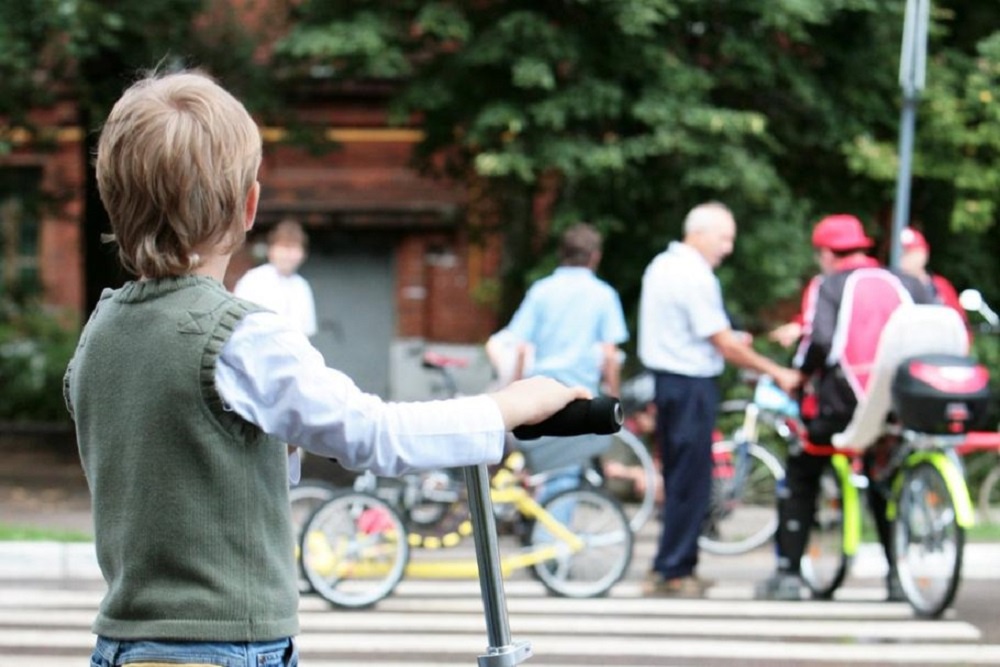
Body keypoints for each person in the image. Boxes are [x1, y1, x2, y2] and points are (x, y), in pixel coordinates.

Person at [65, 69, 588, 667]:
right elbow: (372, 434)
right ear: (249, 206)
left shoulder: (100, 334)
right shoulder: (239, 335)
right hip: (223, 647)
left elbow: (186, 458)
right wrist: (504, 407)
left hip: (124, 645)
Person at [755, 214, 932, 601]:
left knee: (802, 472)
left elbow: (818, 340)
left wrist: (801, 375)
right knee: (884, 480)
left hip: (842, 404)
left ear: (825, 253)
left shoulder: (829, 285)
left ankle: (787, 574)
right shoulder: (906, 281)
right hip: (899, 402)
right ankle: (897, 578)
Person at [637, 201, 801, 597]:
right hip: (690, 385)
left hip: (670, 384)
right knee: (691, 481)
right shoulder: (693, 275)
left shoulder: (662, 265)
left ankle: (673, 564)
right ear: (699, 232)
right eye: (724, 237)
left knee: (681, 478)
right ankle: (674, 571)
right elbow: (722, 342)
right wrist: (776, 371)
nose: (727, 247)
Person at [234, 218, 317, 338]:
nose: (288, 255)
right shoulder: (253, 280)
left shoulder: (302, 286)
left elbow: (306, 331)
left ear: (303, 254)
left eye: (293, 248)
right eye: (283, 247)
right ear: (271, 250)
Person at [899, 226, 970, 331]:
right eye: (904, 253)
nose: (906, 258)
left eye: (912, 252)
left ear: (924, 254)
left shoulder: (940, 286)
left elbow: (961, 325)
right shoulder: (892, 285)